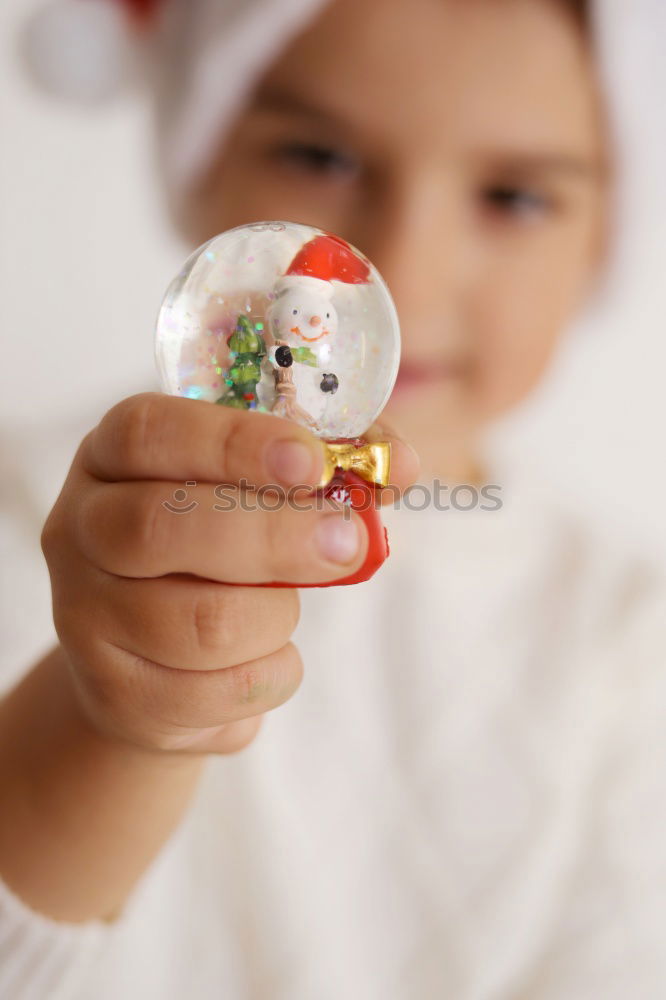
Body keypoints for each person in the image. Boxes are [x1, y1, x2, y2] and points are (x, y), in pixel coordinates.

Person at [1, 0, 665, 997]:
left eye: (515, 197)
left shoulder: (629, 638)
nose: (405, 268)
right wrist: (117, 725)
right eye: (319, 155)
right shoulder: (29, 514)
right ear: (200, 164)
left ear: (604, 234)